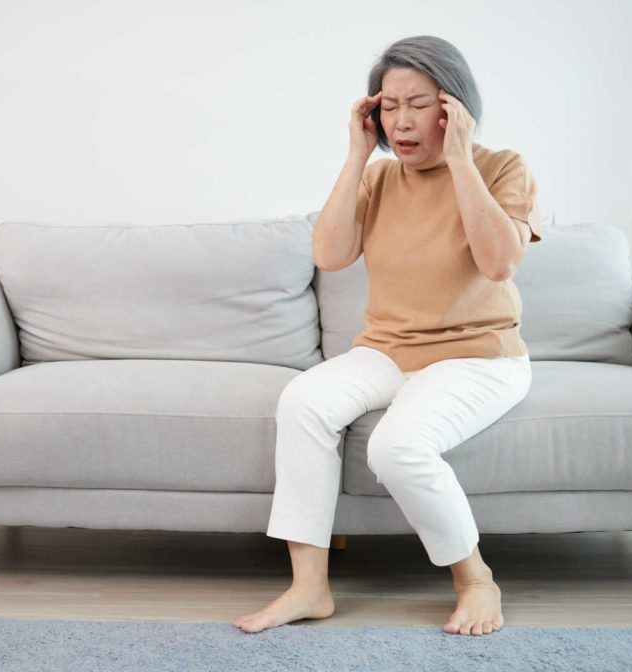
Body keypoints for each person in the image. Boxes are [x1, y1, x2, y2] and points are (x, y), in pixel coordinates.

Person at [234, 35, 542, 637]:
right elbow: (329, 254)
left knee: (396, 447)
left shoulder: (501, 167)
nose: (401, 121)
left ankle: (476, 578)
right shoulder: (378, 179)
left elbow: (499, 263)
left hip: (479, 357)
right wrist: (356, 156)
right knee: (302, 402)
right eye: (389, 105)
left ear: (453, 108)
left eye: (418, 103)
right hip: (386, 351)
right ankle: (308, 588)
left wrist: (458, 160)